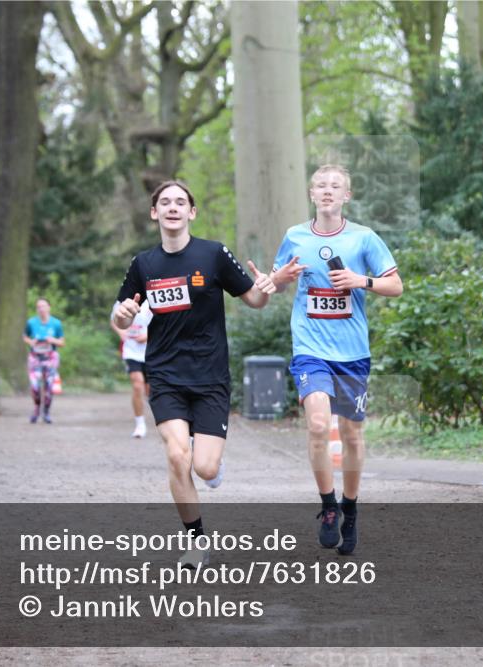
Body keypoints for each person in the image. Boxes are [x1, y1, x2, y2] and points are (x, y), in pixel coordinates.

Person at [111, 180, 275, 567]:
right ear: (154, 213)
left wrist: (267, 287)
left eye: (180, 202)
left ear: (191, 212)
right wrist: (123, 315)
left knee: (205, 467)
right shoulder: (143, 264)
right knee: (176, 455)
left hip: (210, 375)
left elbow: (254, 299)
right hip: (165, 374)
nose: (173, 207)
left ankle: (210, 463)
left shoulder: (213, 254)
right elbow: (121, 314)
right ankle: (196, 542)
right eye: (165, 202)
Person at [269, 164, 403, 555]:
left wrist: (362, 281)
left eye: (336, 186)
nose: (328, 191)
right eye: (321, 185)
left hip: (352, 353)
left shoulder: (364, 237)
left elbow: (396, 285)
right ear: (312, 194)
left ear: (347, 195)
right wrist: (279, 279)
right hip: (310, 349)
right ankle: (329, 506)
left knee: (352, 435)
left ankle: (351, 508)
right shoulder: (295, 236)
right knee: (316, 424)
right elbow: (274, 284)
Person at [110, 306, 152, 438]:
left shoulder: (153, 297)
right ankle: (140, 424)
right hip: (131, 351)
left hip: (151, 352)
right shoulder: (124, 300)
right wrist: (121, 332)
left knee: (150, 391)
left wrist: (148, 335)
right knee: (137, 384)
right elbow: (113, 319)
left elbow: (166, 322)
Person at [22, 298, 65, 424]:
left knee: (49, 386)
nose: (41, 309)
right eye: (39, 307)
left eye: (44, 306)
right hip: (35, 357)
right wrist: (31, 342)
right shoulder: (31, 322)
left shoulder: (56, 323)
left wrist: (52, 340)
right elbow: (25, 336)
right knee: (35, 386)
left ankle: (46, 412)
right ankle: (36, 408)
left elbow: (62, 342)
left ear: (49, 307)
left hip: (50, 358)